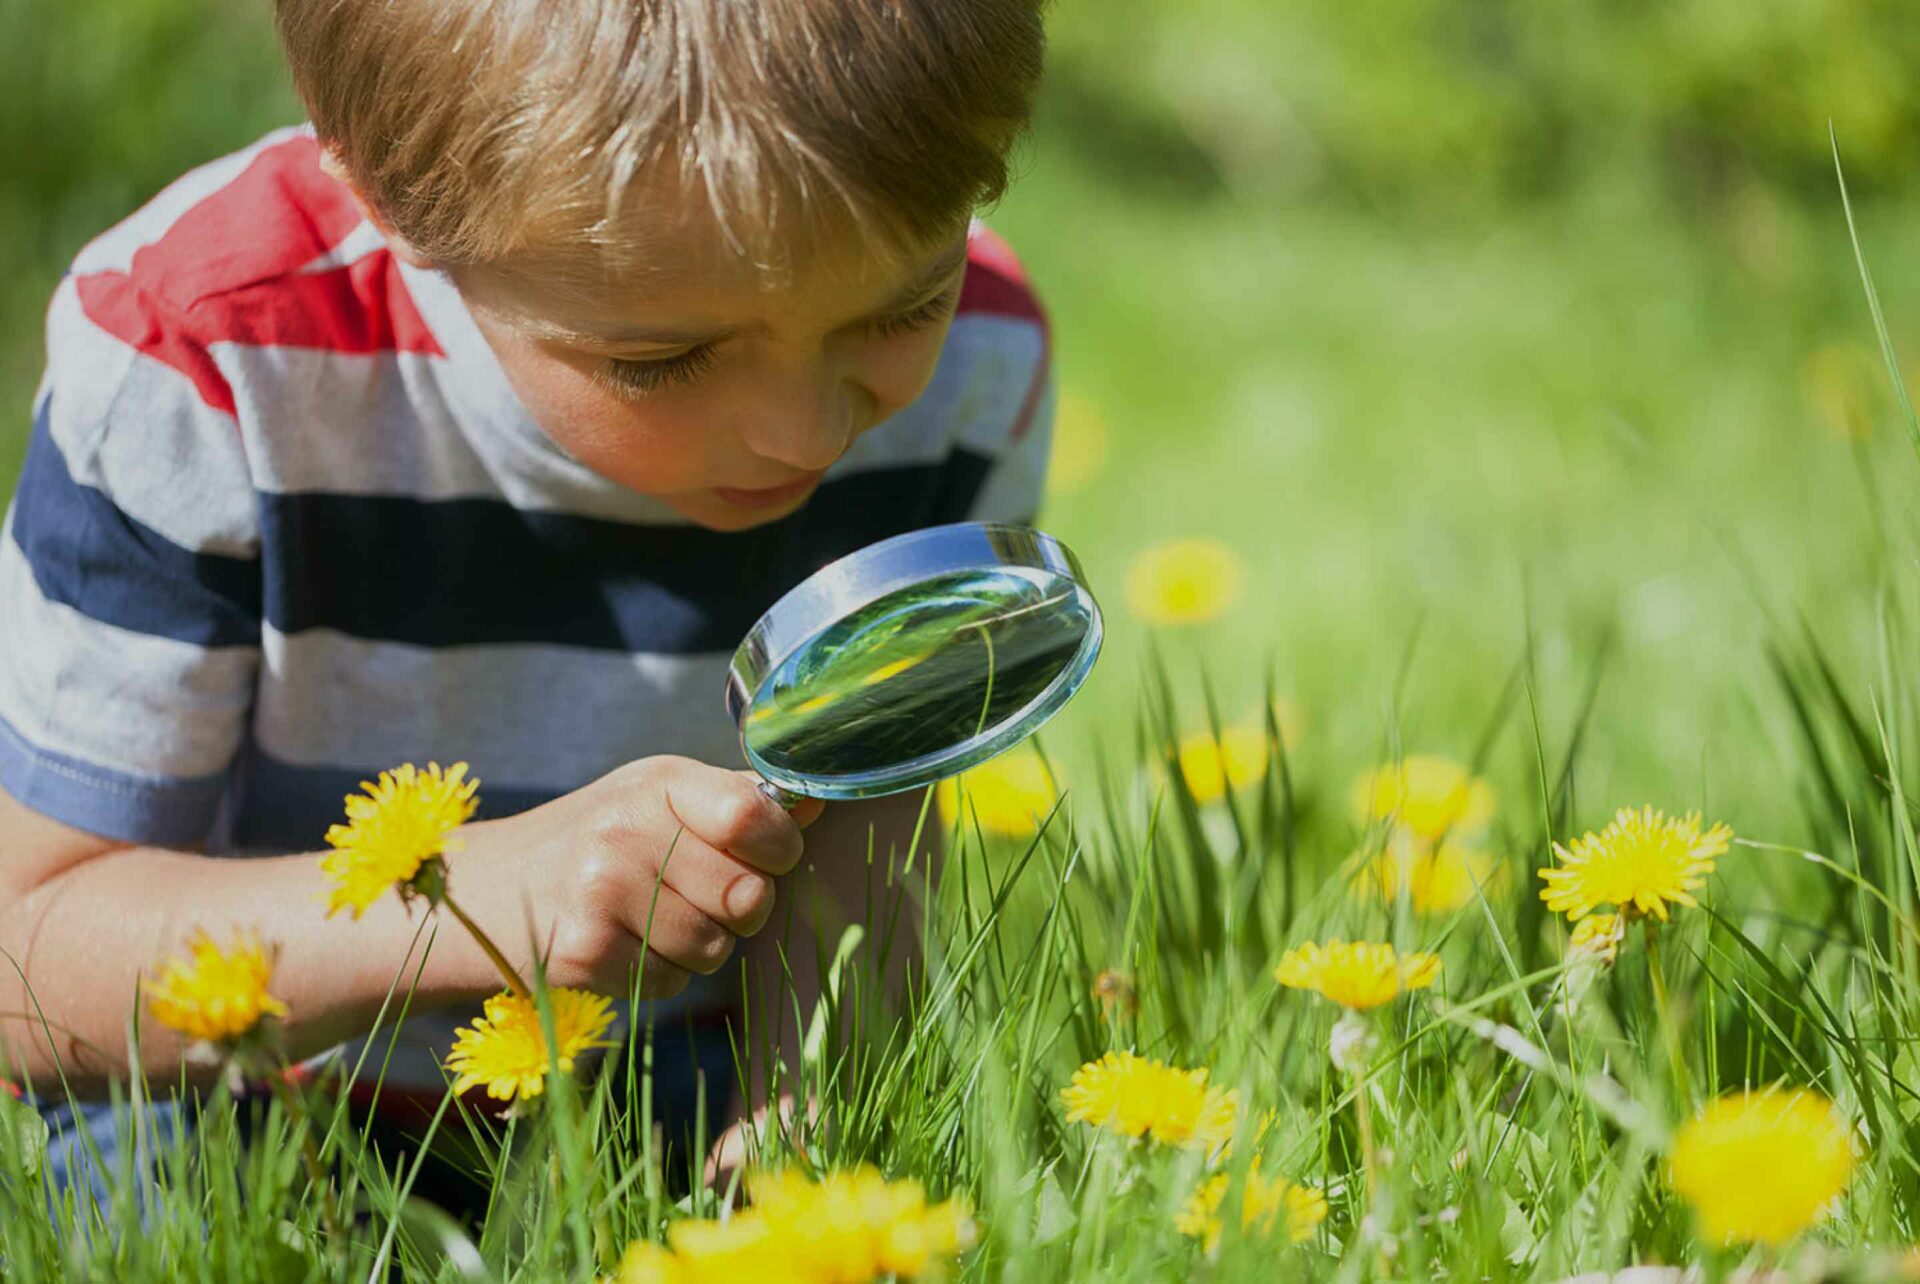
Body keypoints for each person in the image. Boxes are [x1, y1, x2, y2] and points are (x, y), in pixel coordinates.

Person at [0, 0, 1051, 1216]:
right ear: (392, 198)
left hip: (664, 1083)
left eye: (900, 307)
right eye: (660, 361)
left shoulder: (981, 355)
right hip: (246, 1092)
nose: (806, 431)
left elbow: (866, 828)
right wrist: (487, 900)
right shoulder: (209, 357)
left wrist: (804, 1117)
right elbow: (31, 953)